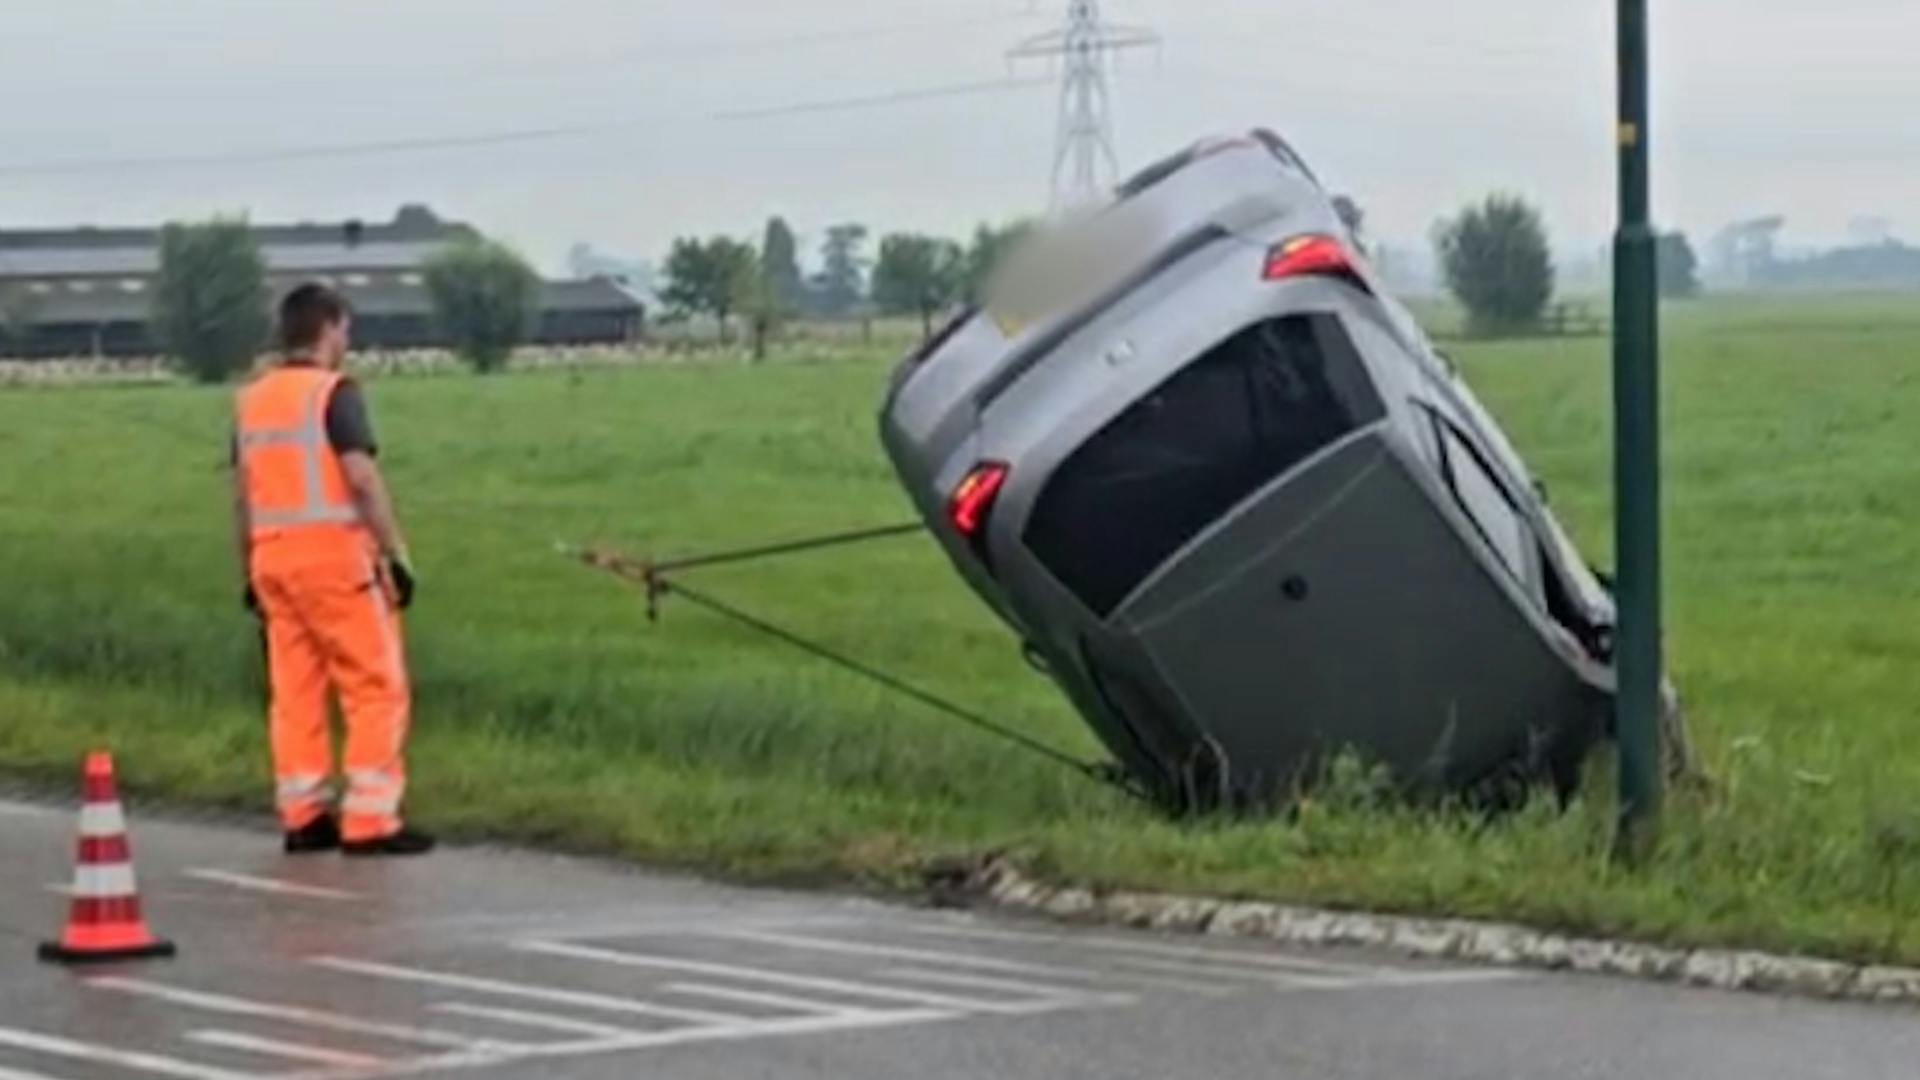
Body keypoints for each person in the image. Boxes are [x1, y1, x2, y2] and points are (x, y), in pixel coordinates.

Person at [232, 283, 434, 856]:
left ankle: (304, 814)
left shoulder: (253, 400)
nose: (347, 341)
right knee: (376, 686)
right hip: (335, 560)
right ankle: (370, 818)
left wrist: (247, 567)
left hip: (272, 559)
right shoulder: (334, 393)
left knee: (295, 692)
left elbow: (242, 496)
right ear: (329, 327)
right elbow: (361, 477)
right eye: (345, 329)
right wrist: (396, 552)